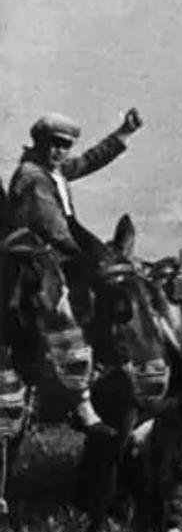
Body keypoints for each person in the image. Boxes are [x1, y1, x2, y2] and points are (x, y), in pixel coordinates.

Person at [6, 109, 144, 433]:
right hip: (37, 252)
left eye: (65, 145)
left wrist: (123, 133)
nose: (60, 151)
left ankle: (111, 357)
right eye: (54, 144)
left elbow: (87, 162)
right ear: (39, 142)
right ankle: (79, 398)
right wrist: (86, 258)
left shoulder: (54, 170)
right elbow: (52, 227)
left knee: (118, 278)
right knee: (66, 308)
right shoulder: (31, 175)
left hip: (66, 238)